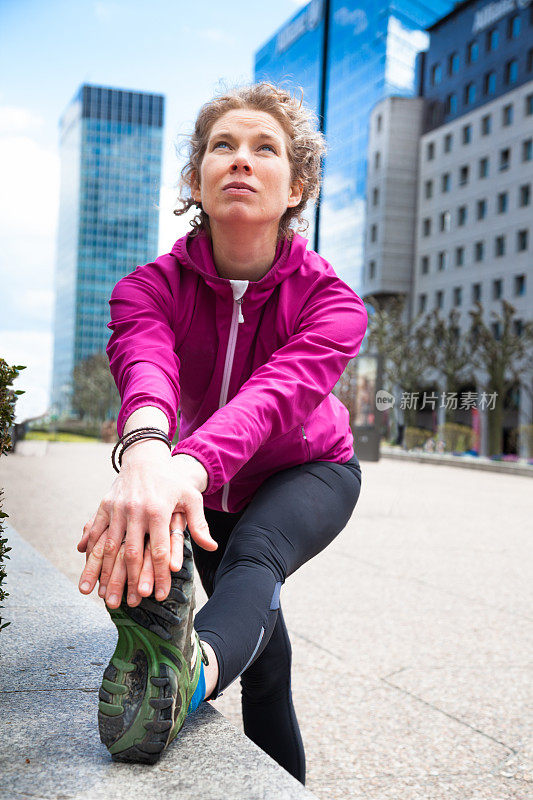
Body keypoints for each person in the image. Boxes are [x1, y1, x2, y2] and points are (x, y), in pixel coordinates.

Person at [77, 82, 368, 782]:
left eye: (263, 147)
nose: (241, 159)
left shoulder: (333, 303)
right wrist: (147, 451)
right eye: (222, 147)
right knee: (268, 664)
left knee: (255, 561)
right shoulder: (148, 287)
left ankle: (188, 675)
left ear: (297, 185)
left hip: (306, 471)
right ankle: (202, 688)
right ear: (194, 180)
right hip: (195, 483)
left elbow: (273, 400)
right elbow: (144, 365)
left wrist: (183, 468)